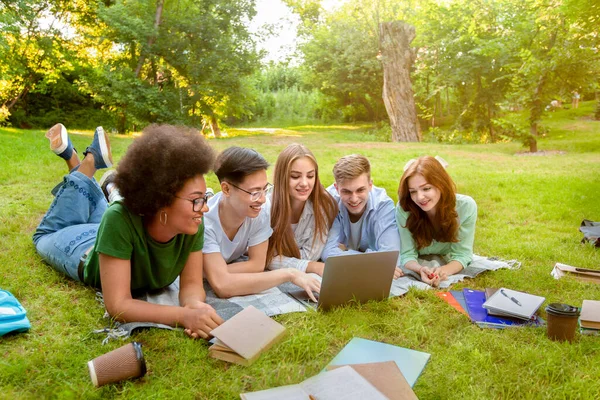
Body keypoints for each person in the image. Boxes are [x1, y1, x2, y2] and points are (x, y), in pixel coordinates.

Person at [33, 123, 224, 339]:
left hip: (108, 234)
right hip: (80, 246)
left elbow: (191, 285)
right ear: (161, 199)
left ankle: (76, 159)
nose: (205, 207)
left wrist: (195, 308)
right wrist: (182, 316)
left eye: (205, 198)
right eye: (196, 200)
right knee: (44, 235)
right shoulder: (118, 219)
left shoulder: (192, 224)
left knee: (96, 208)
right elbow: (118, 304)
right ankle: (88, 162)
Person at [202, 146, 321, 300]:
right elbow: (223, 286)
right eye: (255, 192)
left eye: (265, 189)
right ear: (226, 189)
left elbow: (257, 265)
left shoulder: (261, 211)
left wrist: (216, 272)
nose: (263, 199)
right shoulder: (206, 224)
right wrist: (289, 274)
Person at [396, 156, 477, 287]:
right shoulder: (405, 209)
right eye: (413, 191)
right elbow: (407, 254)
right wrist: (420, 269)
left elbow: (462, 254)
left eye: (426, 188)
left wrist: (442, 271)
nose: (419, 197)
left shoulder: (466, 207)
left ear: (441, 185)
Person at [322, 154, 403, 278]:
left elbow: (391, 257)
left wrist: (345, 251)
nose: (354, 199)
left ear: (370, 185)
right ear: (337, 188)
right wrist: (374, 261)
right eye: (346, 191)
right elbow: (328, 254)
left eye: (360, 190)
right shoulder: (329, 202)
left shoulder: (383, 205)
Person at [267, 144, 338, 276]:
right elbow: (263, 258)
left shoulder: (322, 206)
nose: (304, 183)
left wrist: (279, 259)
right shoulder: (266, 206)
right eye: (295, 176)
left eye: (310, 176)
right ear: (282, 177)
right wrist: (313, 267)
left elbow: (310, 256)